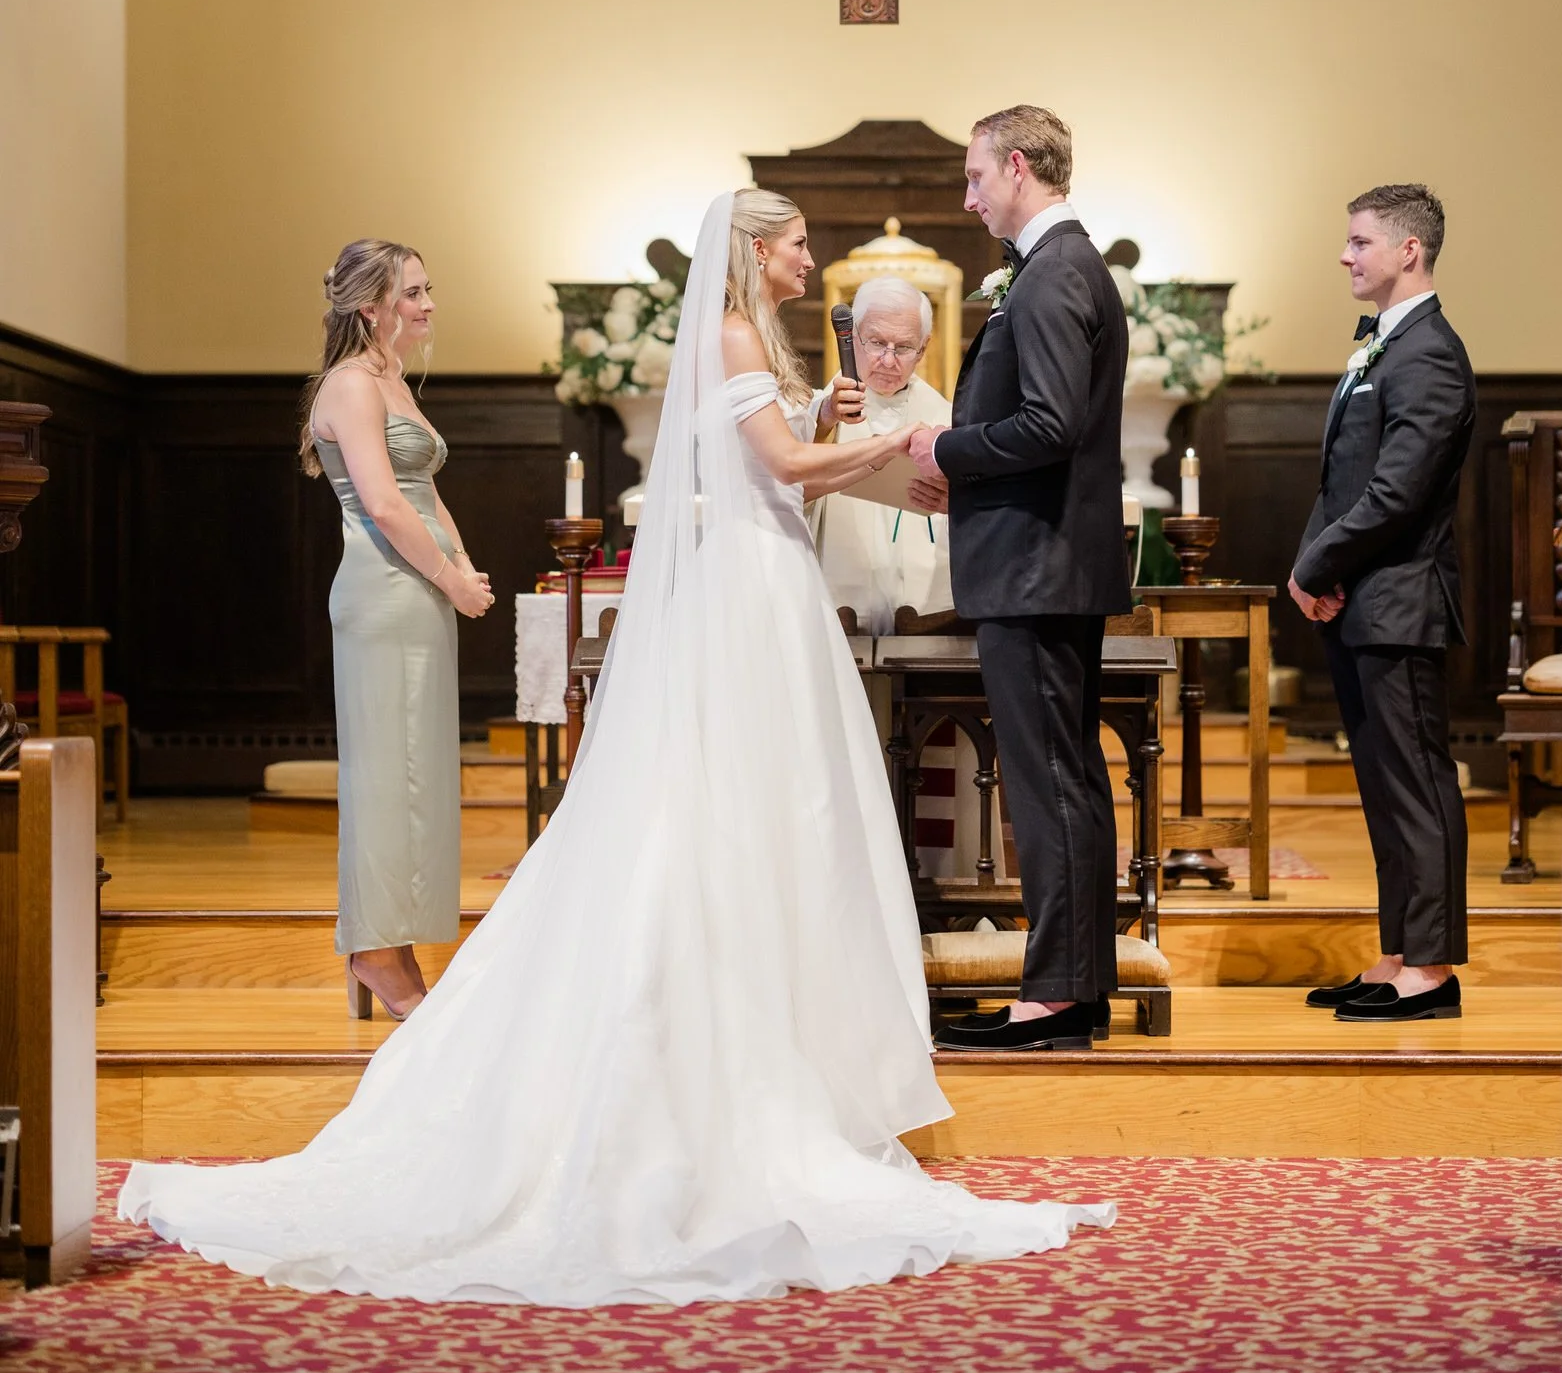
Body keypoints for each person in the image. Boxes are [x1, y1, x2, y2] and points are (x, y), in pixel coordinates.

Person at [119, 190, 1112, 1305]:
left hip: (768, 576)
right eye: (793, 246)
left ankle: (762, 1029)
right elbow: (779, 467)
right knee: (728, 805)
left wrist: (870, 457)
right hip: (749, 584)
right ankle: (696, 1041)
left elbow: (784, 457)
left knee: (769, 808)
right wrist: (893, 452)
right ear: (754, 250)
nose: (805, 261)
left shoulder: (757, 336)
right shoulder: (736, 332)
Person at [907, 107, 1129, 1053]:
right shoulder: (1060, 270)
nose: (967, 198)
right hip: (1044, 563)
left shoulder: (1050, 276)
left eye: (973, 178)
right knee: (1066, 779)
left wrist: (942, 447)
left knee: (1049, 785)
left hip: (1035, 572)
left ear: (1017, 165)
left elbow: (1048, 426)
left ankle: (1055, 996)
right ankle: (1074, 987)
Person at [1291, 185, 1475, 1022]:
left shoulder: (1429, 352)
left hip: (1400, 600)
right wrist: (1312, 563)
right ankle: (1397, 951)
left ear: (1408, 251)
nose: (1345, 254)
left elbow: (1399, 490)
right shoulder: (1381, 347)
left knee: (1416, 785)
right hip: (1360, 596)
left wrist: (1318, 563)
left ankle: (1431, 971)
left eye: (1359, 241)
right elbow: (1342, 478)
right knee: (1379, 785)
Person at [303, 241, 493, 1024]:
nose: (427, 304)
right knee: (386, 777)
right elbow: (383, 504)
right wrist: (447, 576)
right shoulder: (351, 385)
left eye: (426, 287)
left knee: (418, 779)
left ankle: (397, 940)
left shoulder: (392, 382)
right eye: (412, 292)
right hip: (385, 590)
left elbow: (427, 492)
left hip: (421, 591)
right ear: (368, 307)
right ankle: (375, 949)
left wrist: (465, 567)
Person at [813, 275, 953, 635]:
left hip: (923, 613)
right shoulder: (814, 413)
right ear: (851, 337)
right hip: (837, 606)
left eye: (904, 347)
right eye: (876, 343)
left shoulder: (950, 419)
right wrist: (823, 419)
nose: (888, 360)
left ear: (923, 349)